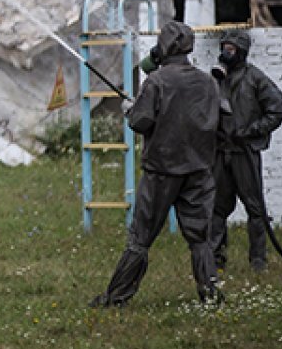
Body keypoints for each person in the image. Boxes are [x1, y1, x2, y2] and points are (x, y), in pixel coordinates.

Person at [90, 20, 222, 307]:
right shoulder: (208, 82)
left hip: (162, 170)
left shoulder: (158, 81)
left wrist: (131, 109)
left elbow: (140, 122)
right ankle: (210, 295)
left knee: (141, 238)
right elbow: (218, 120)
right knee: (200, 238)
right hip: (199, 169)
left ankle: (116, 298)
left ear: (164, 46)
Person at [210, 28, 282, 273]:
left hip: (245, 153)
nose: (226, 53)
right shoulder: (215, 78)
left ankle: (258, 262)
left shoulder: (256, 78)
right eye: (224, 48)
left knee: (255, 208)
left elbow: (276, 110)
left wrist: (252, 131)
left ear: (241, 51)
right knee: (217, 208)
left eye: (231, 49)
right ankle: (215, 260)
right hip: (222, 152)